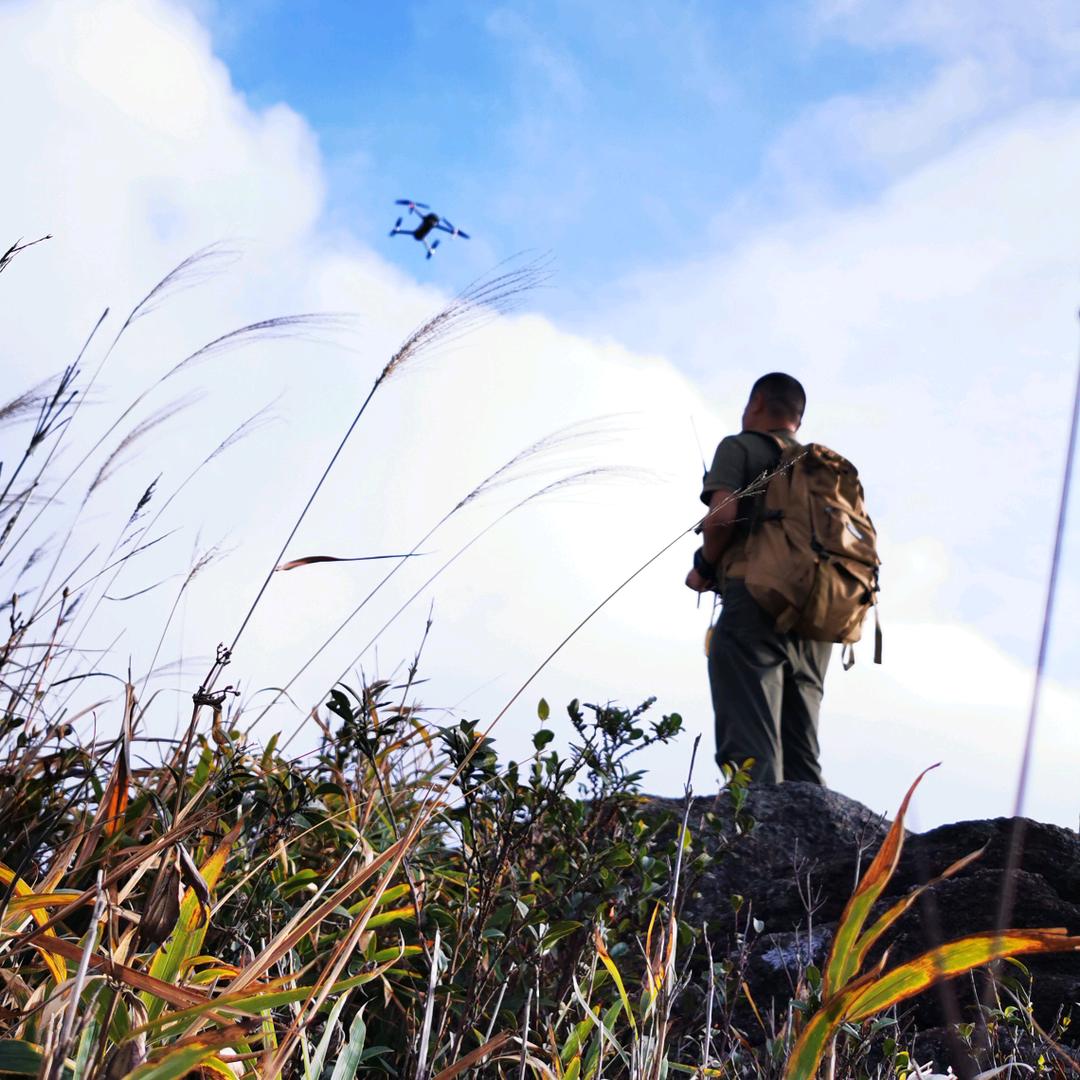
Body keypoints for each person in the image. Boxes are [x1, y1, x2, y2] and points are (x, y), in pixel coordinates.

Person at [685, 373, 832, 785]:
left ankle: (752, 840)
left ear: (757, 404)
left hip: (755, 602)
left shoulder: (740, 446)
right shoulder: (822, 469)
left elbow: (722, 515)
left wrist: (705, 566)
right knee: (801, 752)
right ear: (797, 421)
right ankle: (819, 844)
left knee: (751, 747)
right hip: (819, 615)